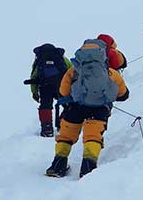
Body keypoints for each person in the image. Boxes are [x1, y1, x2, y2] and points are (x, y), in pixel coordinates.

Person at [46, 39, 129, 178]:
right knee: (92, 137)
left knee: (66, 137)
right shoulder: (111, 73)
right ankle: (87, 169)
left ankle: (58, 166)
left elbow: (63, 92)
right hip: (99, 110)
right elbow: (123, 95)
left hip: (75, 108)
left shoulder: (73, 71)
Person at [27, 43, 71, 137]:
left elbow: (33, 77)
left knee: (45, 106)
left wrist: (34, 92)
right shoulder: (62, 58)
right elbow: (71, 72)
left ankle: (47, 128)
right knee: (68, 105)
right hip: (61, 86)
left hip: (44, 86)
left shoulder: (39, 60)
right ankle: (63, 124)